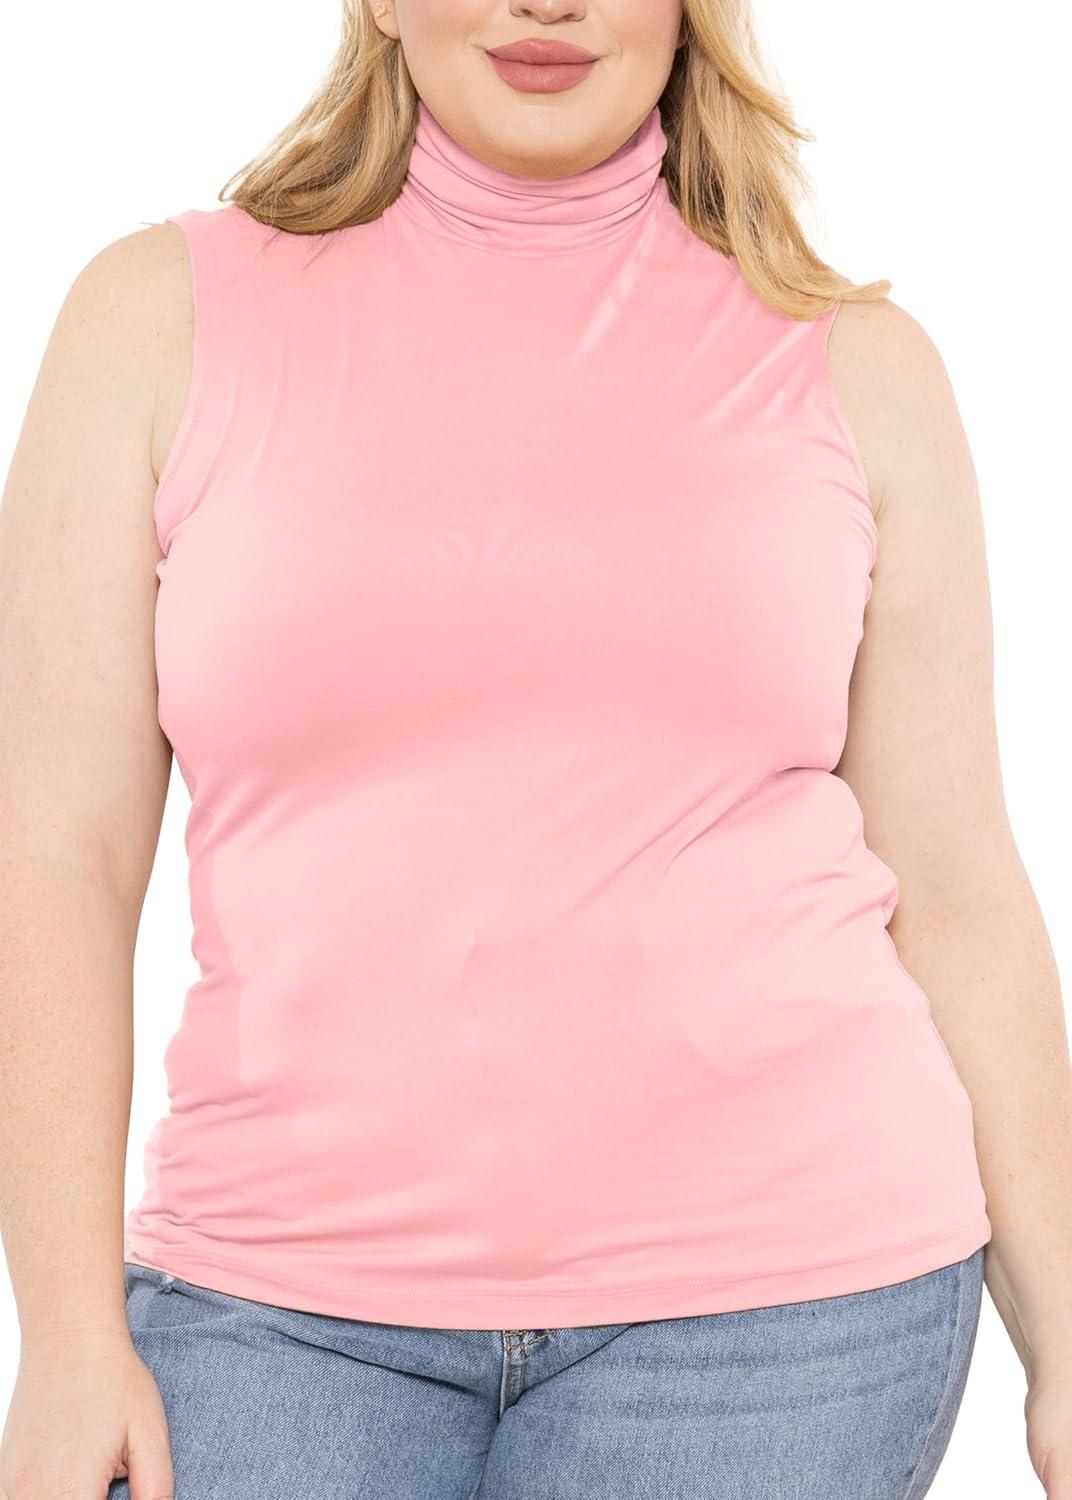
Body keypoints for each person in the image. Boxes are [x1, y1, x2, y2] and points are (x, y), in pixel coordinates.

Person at [1, 1, 1069, 1495]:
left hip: (786, 1306)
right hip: (272, 1293)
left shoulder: (860, 367)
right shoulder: (154, 321)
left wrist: (1067, 1337)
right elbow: (56, 858)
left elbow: (952, 886)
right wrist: (63, 1331)